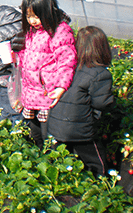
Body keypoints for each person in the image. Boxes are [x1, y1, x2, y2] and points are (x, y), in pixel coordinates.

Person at [48, 26, 114, 177]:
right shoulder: (100, 74)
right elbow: (102, 103)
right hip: (80, 130)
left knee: (59, 161)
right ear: (103, 48)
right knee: (96, 162)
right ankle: (103, 186)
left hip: (55, 125)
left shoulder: (68, 67)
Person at [16, 0, 77, 149]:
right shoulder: (31, 31)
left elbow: (66, 61)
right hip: (30, 90)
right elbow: (27, 57)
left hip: (46, 92)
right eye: (28, 16)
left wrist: (61, 87)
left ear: (47, 12)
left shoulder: (59, 31)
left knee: (47, 132)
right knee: (32, 127)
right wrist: (16, 51)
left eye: (36, 16)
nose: (32, 21)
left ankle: (50, 158)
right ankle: (38, 153)